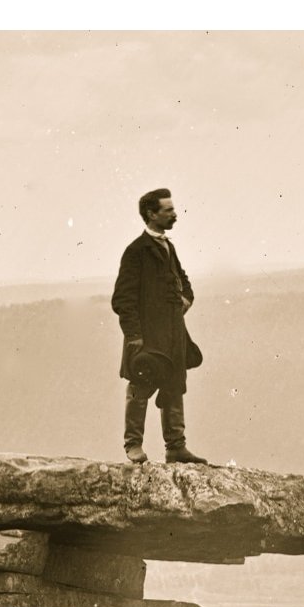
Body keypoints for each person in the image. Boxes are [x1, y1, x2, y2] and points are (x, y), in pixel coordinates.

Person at [111, 188, 207, 464]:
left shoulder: (168, 247)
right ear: (151, 214)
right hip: (147, 336)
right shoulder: (136, 251)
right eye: (168, 210)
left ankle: (176, 447)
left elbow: (182, 280)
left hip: (174, 334)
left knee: (174, 385)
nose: (175, 214)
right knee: (140, 387)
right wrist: (134, 337)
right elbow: (122, 300)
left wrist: (185, 299)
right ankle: (133, 445)